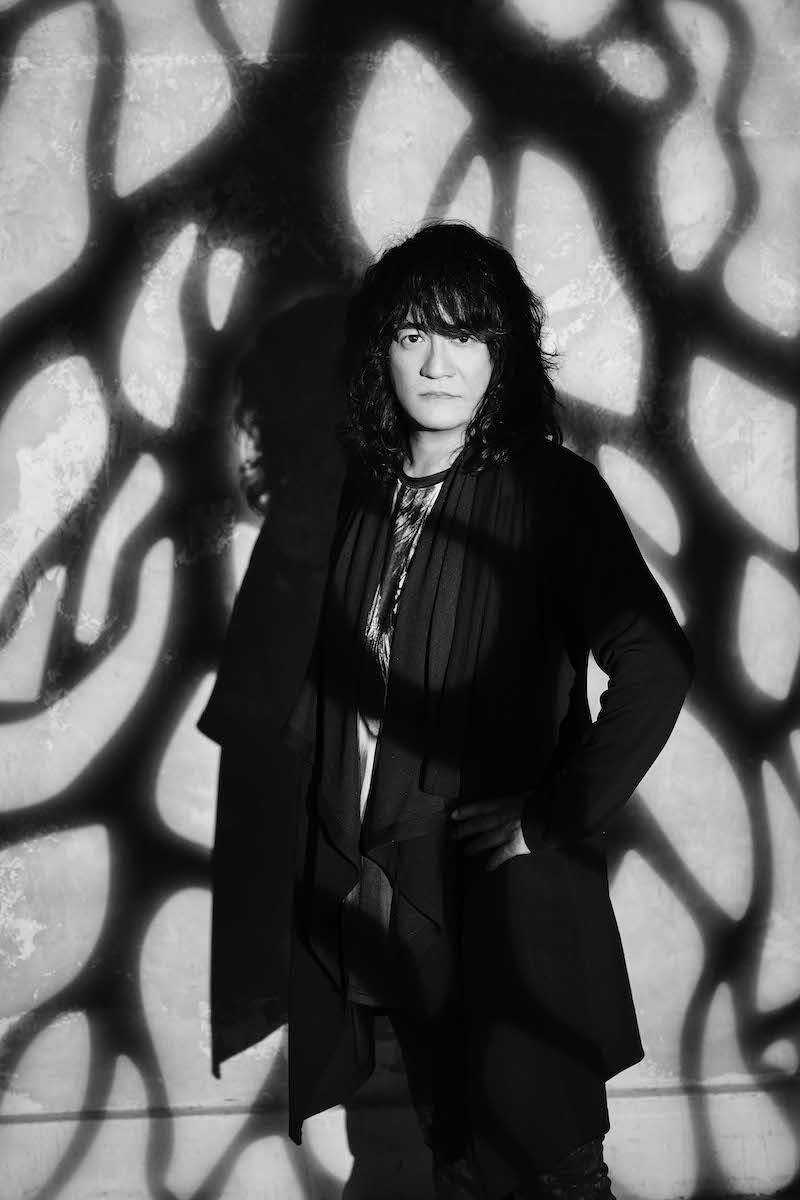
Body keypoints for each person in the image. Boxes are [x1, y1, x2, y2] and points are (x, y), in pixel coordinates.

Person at [200, 223, 694, 1199]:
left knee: (550, 1156)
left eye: (466, 335)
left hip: (503, 890)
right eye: (414, 334)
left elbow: (655, 663)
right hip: (391, 885)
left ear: (501, 355)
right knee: (452, 1147)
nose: (438, 363)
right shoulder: (362, 497)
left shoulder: (550, 491)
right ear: (380, 353)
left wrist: (552, 816)